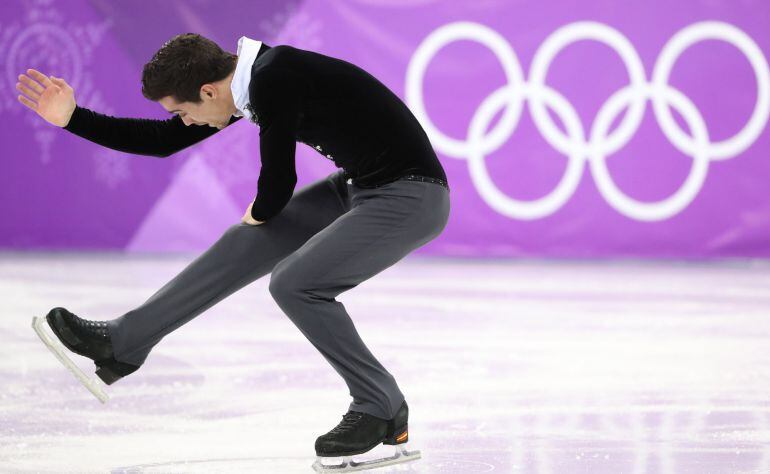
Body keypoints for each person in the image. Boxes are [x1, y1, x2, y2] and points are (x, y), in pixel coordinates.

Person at [17, 32, 449, 471]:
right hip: (360, 186)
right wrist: (73, 118)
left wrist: (262, 212)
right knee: (244, 241)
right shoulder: (252, 81)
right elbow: (162, 142)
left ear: (208, 91)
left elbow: (278, 184)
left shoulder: (273, 77)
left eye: (183, 111)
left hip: (412, 196)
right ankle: (123, 342)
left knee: (295, 284)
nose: (185, 122)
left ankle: (381, 407)